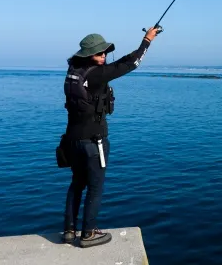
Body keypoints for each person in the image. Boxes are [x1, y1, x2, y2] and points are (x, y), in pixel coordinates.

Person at [61, 26, 160, 248]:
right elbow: (130, 64)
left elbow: (119, 63)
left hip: (72, 140)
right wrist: (147, 40)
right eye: (99, 53)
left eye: (105, 52)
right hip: (93, 142)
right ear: (88, 55)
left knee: (77, 184)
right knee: (95, 186)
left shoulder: (74, 72)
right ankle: (88, 234)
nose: (103, 56)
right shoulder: (96, 74)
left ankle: (69, 230)